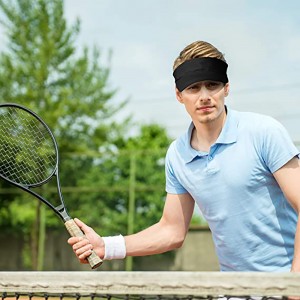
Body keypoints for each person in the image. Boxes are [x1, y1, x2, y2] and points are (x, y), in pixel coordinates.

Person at [68, 40, 300, 272]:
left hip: (285, 282)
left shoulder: (264, 132)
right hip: (234, 288)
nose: (205, 96)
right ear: (179, 95)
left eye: (212, 85)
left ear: (226, 88)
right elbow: (172, 230)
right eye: (194, 88)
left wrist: (294, 283)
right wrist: (107, 247)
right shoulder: (177, 155)